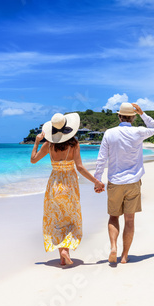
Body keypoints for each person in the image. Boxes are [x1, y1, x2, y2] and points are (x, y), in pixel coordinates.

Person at [31, 112, 104, 265]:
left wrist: (37, 141)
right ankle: (65, 250)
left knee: (57, 220)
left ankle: (62, 258)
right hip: (69, 185)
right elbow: (80, 168)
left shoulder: (49, 145)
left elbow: (33, 160)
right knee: (71, 219)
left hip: (54, 185)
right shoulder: (74, 145)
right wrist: (96, 182)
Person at [94, 102, 154, 264]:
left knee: (113, 217)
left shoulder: (109, 133)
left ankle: (113, 247)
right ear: (133, 117)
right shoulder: (138, 131)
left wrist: (97, 180)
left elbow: (102, 158)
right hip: (133, 182)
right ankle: (124, 256)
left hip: (115, 182)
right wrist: (142, 113)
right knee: (129, 220)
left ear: (119, 115)